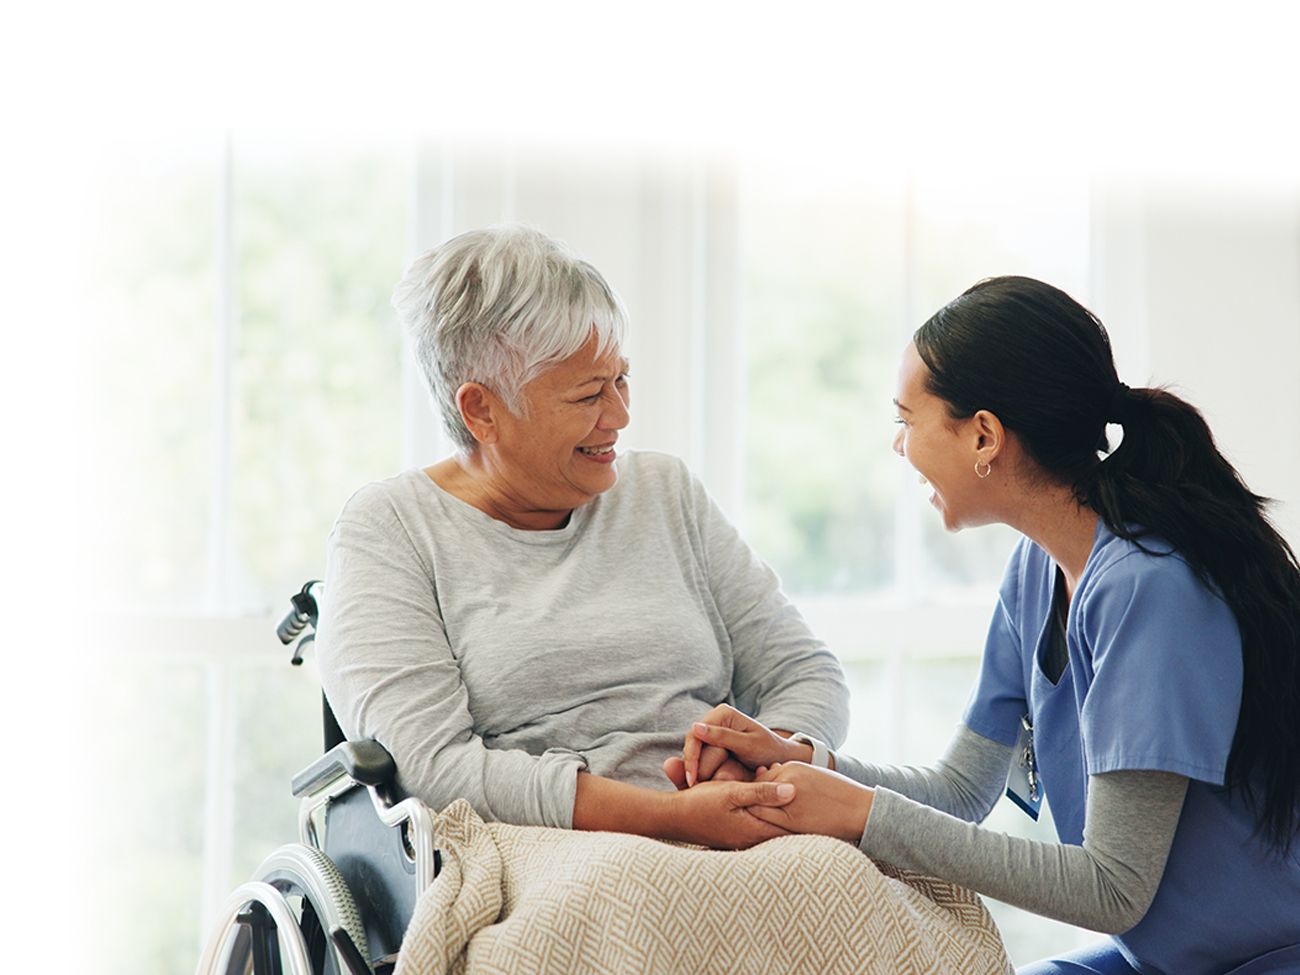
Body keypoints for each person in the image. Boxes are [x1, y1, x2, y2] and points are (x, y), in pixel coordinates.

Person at [682, 276, 1300, 974]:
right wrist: (799, 762)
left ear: (984, 435)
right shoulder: (1035, 571)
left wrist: (858, 813)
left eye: (906, 419)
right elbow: (961, 790)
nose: (899, 445)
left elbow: (1113, 888)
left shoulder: (1147, 589)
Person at [314, 224, 850, 851]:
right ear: (481, 410)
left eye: (622, 380)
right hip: (540, 852)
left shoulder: (665, 492)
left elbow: (805, 673)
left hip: (737, 825)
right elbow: (434, 768)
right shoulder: (389, 530)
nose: (620, 415)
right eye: (589, 394)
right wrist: (671, 816)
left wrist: (767, 756)